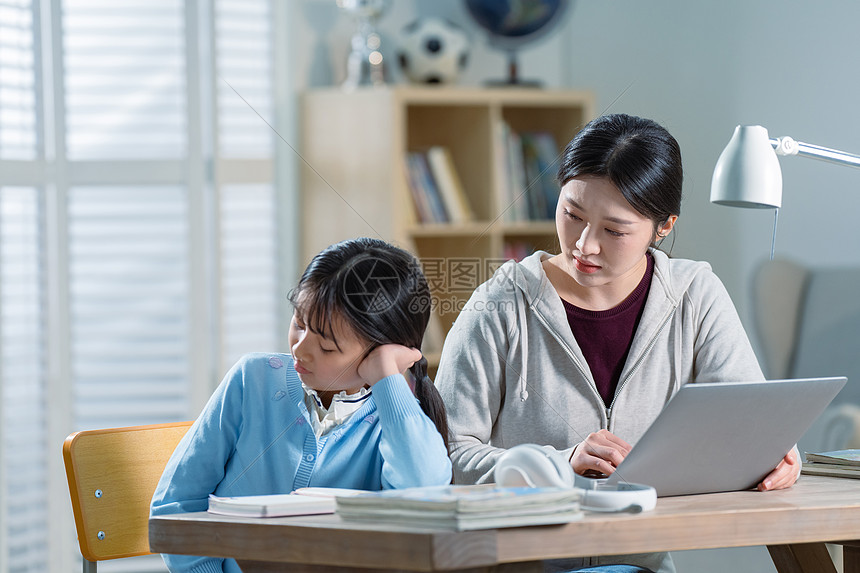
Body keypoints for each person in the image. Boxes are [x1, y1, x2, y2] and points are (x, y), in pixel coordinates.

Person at [434, 114, 800, 573]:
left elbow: (751, 417)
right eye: (572, 214)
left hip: (641, 566)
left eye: (614, 230)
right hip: (519, 565)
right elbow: (445, 455)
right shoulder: (500, 303)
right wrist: (558, 464)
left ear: (663, 227)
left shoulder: (694, 295)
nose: (585, 245)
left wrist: (776, 456)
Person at [151, 237, 452, 573]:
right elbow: (177, 505)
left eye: (327, 347)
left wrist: (388, 378)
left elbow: (424, 495)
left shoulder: (396, 420)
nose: (301, 349)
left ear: (380, 352)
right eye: (299, 324)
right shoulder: (253, 381)